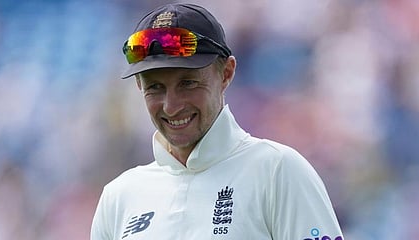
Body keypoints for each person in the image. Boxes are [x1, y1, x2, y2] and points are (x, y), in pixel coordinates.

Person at [91, 3, 344, 240]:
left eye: (188, 83)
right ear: (139, 86)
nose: (171, 105)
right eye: (155, 88)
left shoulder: (277, 170)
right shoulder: (119, 196)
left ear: (226, 73)